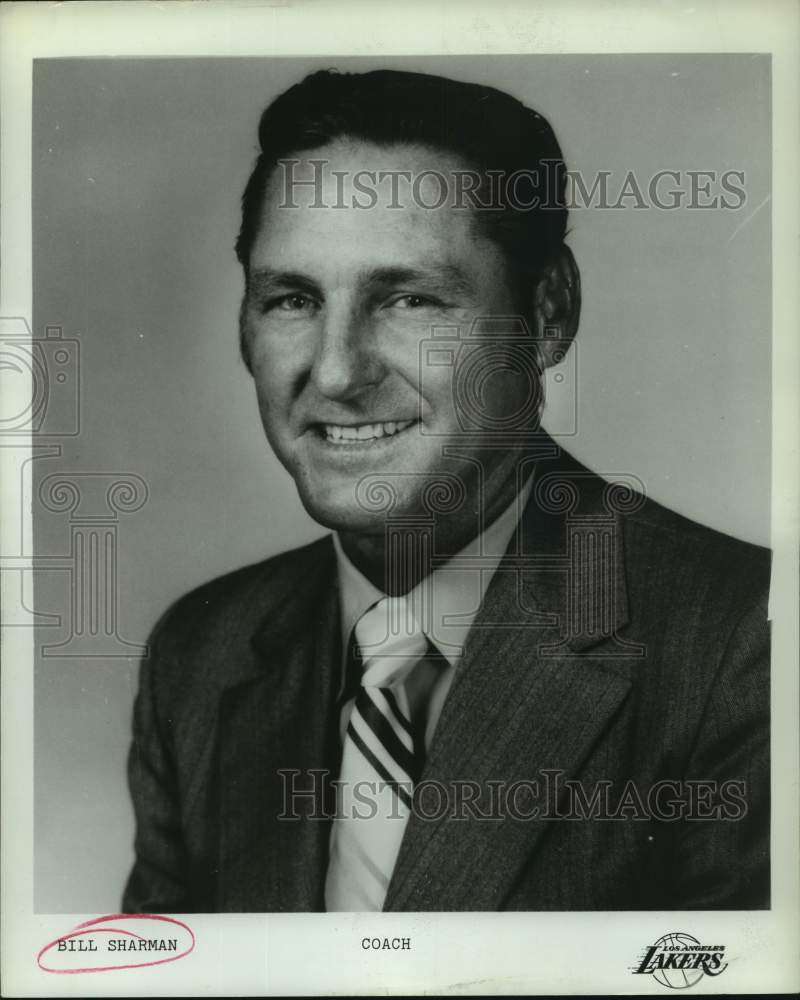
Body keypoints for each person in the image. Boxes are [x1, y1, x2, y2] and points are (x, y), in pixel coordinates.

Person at [123, 69, 770, 913]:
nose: (336, 371)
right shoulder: (200, 657)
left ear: (548, 315)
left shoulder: (742, 645)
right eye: (291, 299)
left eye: (410, 299)